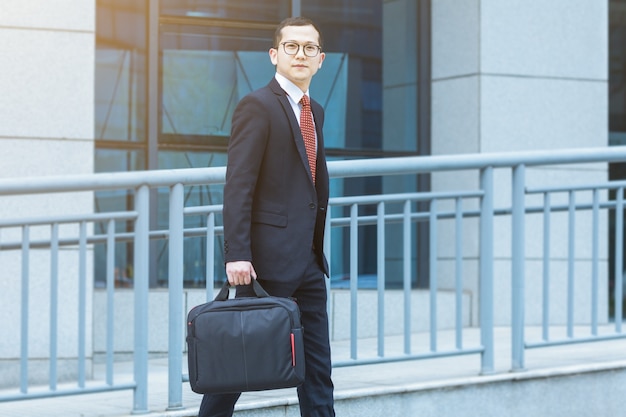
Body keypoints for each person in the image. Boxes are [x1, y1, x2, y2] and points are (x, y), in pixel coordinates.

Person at [197, 16, 335, 417]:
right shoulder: (256, 106)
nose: (300, 54)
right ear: (274, 55)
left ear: (321, 59)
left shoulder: (316, 111)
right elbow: (238, 185)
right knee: (235, 370)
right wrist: (236, 253)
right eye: (291, 46)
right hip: (265, 263)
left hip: (309, 263)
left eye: (309, 48)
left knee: (317, 371)